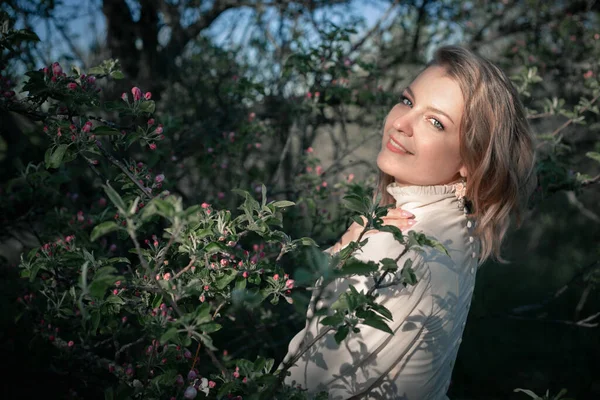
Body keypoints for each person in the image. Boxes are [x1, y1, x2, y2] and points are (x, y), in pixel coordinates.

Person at [279, 45, 537, 399]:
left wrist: (348, 258)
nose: (400, 123)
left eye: (435, 122)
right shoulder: (459, 228)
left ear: (471, 161)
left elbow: (312, 381)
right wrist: (343, 253)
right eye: (406, 101)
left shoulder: (399, 240)